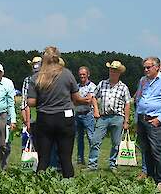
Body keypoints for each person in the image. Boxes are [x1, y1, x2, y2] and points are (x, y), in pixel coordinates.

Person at [26, 46, 90, 177]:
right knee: (65, 158)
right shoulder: (67, 74)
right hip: (65, 119)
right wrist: (84, 100)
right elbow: (76, 98)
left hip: (45, 118)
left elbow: (30, 102)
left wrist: (44, 101)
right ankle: (68, 186)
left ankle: (41, 186)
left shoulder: (37, 77)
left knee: (43, 159)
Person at [135, 56, 161, 191]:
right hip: (142, 118)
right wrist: (137, 119)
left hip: (155, 119)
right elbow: (139, 98)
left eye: (149, 67)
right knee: (145, 149)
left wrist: (160, 118)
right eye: (144, 68)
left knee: (156, 150)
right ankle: (150, 176)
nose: (146, 70)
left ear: (157, 67)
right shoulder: (143, 80)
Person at [88, 60, 131, 171]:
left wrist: (126, 121)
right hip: (103, 116)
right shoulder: (102, 83)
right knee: (95, 140)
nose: (112, 72)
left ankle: (113, 164)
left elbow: (127, 104)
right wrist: (95, 110)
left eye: (115, 71)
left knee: (116, 143)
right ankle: (92, 165)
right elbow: (93, 97)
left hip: (118, 117)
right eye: (111, 70)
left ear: (119, 73)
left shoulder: (123, 87)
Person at [74, 66, 98, 165]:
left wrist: (79, 99)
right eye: (80, 74)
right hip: (77, 115)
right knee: (79, 139)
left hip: (88, 115)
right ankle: (80, 159)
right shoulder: (76, 86)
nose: (82, 76)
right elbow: (74, 101)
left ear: (88, 74)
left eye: (84, 74)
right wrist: (82, 100)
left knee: (91, 138)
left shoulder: (92, 86)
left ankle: (92, 161)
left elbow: (89, 100)